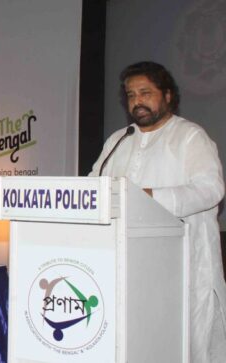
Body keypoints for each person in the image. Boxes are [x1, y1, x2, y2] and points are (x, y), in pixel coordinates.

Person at [89, 61, 226, 362]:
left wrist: (149, 198)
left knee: (188, 348)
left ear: (167, 96)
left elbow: (211, 189)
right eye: (130, 94)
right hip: (127, 270)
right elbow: (93, 189)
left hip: (185, 269)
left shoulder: (191, 136)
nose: (137, 100)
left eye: (145, 92)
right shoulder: (119, 139)